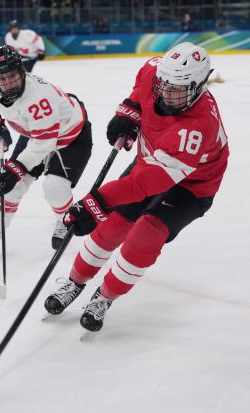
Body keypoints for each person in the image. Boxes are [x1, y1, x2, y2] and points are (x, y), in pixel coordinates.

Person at [44, 42, 230, 333]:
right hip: (153, 160)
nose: (167, 93)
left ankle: (105, 296)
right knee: (113, 225)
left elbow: (148, 182)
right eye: (164, 84)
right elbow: (140, 91)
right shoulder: (154, 72)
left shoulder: (197, 126)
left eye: (177, 89)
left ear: (199, 86)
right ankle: (75, 281)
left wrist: (97, 201)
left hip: (192, 185)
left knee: (146, 233)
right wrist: (128, 114)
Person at [0, 45, 92, 257]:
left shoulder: (40, 98)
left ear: (22, 71)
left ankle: (64, 220)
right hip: (36, 134)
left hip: (70, 136)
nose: (8, 83)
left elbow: (44, 143)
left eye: (13, 76)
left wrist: (13, 170)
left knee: (55, 188)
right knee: (11, 189)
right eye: (2, 78)